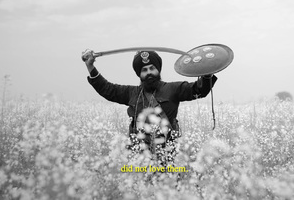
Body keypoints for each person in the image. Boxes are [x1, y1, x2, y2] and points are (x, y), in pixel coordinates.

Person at [81, 49, 217, 160]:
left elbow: (199, 90)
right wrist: (90, 66)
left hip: (168, 156)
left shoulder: (174, 89)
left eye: (152, 68)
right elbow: (107, 89)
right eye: (144, 70)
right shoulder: (131, 93)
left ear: (158, 70)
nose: (149, 73)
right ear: (139, 74)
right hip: (139, 157)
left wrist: (206, 73)